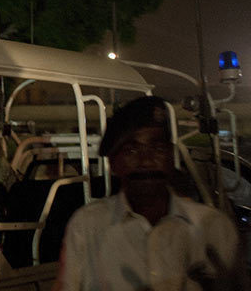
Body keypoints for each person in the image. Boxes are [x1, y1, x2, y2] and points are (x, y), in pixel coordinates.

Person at [54, 96, 245, 291]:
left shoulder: (214, 228)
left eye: (158, 148)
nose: (146, 161)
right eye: (131, 150)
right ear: (113, 163)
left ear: (171, 157)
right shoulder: (87, 226)